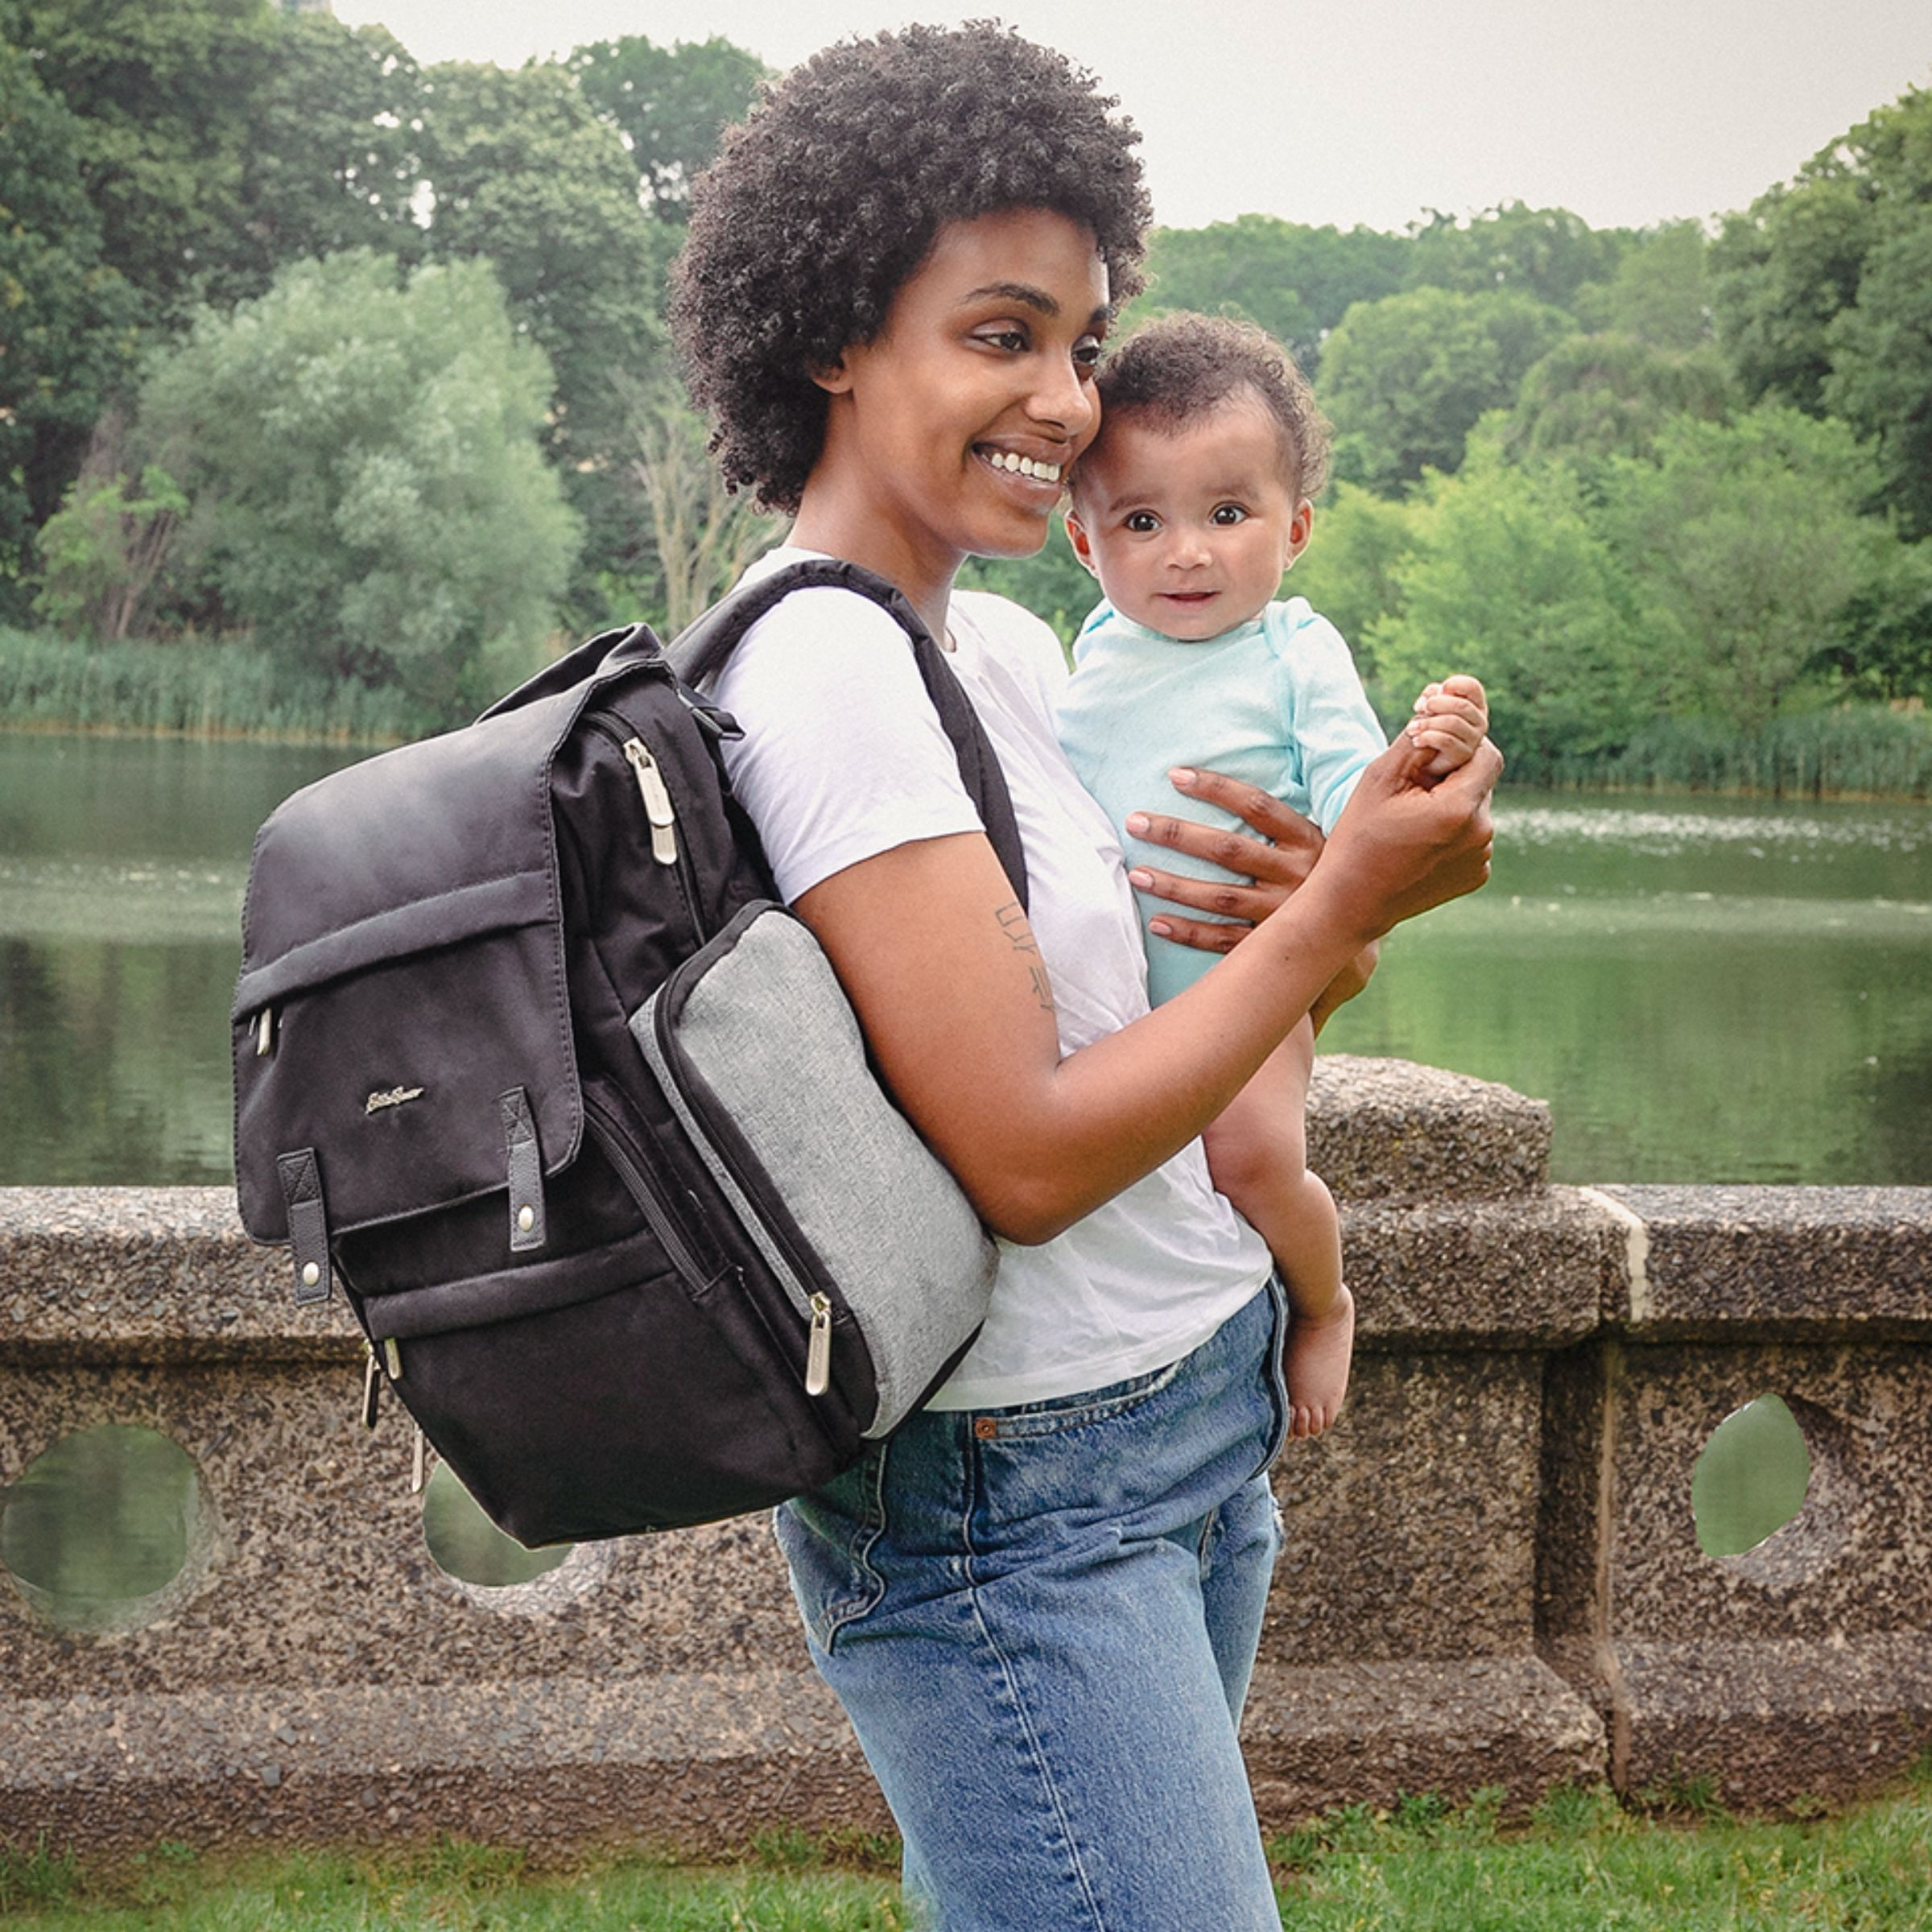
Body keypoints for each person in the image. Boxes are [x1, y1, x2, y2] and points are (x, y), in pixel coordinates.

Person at [670, 24, 1498, 1929]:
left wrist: (1338, 924)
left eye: (1081, 341)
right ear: (832, 338)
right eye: (1000, 334)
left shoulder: (1014, 664)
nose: (1065, 399)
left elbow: (1199, 1028)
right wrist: (1334, 909)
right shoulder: (830, 682)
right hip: (1018, 1505)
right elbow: (1030, 1157)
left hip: (1184, 1411)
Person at [1056, 313, 1489, 1440]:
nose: (1186, 551)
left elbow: (1364, 808)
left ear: (1294, 530)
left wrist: (1428, 750)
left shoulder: (1295, 652)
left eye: (1227, 514)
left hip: (1245, 986)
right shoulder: (1088, 654)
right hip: (1114, 1008)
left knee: (1247, 1155)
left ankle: (1325, 1296)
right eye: (1141, 521)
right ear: (1083, 542)